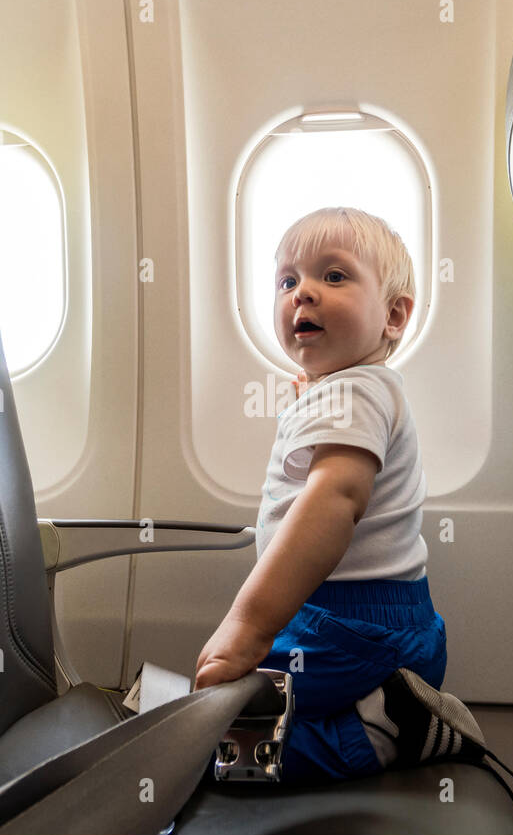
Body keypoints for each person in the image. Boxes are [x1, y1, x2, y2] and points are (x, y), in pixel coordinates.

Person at [192, 206, 492, 782]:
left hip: (350, 627)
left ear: (395, 315)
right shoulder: (352, 391)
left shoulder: (352, 394)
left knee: (221, 732)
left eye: (333, 276)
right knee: (233, 709)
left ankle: (383, 730)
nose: (303, 292)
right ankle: (379, 711)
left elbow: (335, 502)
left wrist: (247, 626)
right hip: (374, 623)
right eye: (287, 280)